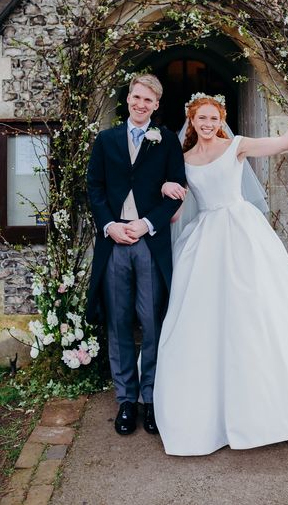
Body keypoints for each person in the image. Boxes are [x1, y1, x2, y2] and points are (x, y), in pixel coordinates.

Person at [153, 89, 288, 456]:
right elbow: (177, 213)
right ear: (191, 120)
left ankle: (269, 409)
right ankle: (207, 412)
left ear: (221, 120)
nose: (207, 124)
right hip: (204, 240)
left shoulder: (236, 146)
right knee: (201, 322)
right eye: (201, 118)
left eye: (213, 118)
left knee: (255, 316)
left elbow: (284, 141)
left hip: (242, 235)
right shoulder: (184, 158)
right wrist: (165, 188)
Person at [86, 74, 186, 437]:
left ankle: (151, 399)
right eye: (136, 97)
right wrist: (109, 225)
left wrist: (146, 224)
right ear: (128, 98)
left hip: (148, 241)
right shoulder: (106, 139)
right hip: (115, 241)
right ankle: (126, 400)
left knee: (153, 320)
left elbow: (177, 192)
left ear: (157, 105)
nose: (141, 104)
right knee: (119, 321)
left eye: (149, 100)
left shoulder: (168, 141)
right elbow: (94, 187)